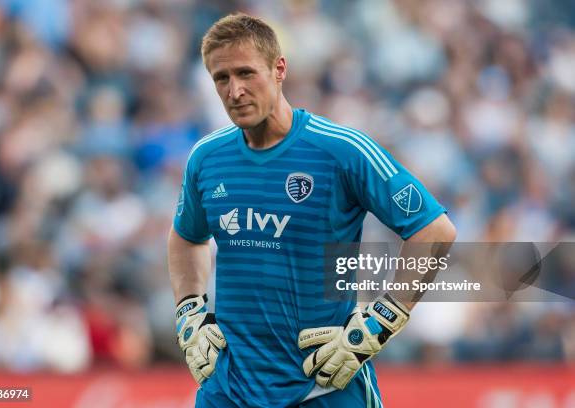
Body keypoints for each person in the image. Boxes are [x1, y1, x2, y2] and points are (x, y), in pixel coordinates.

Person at [168, 13, 457, 408]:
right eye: (221, 78)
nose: (234, 91)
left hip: (324, 383)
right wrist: (189, 310)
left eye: (246, 73)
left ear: (279, 69)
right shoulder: (206, 157)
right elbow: (186, 236)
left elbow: (434, 231)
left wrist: (378, 323)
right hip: (230, 388)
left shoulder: (342, 150)